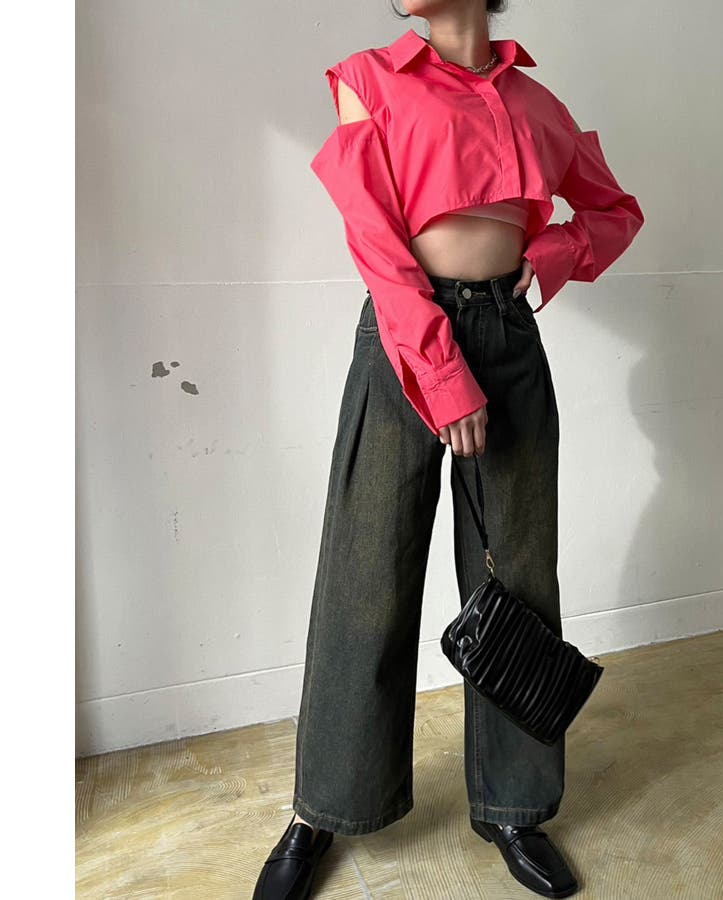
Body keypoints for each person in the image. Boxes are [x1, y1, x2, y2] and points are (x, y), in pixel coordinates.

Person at [253, 2, 644, 898]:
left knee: (519, 579)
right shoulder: (369, 79)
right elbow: (374, 239)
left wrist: (551, 254)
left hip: (508, 340)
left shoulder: (538, 106)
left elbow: (616, 211)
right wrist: (440, 369)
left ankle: (515, 806)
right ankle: (324, 807)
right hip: (404, 341)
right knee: (365, 573)